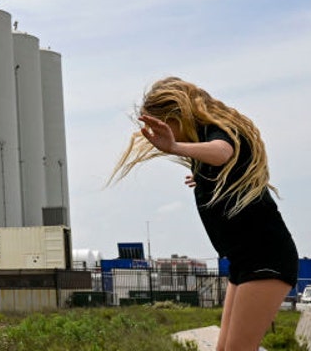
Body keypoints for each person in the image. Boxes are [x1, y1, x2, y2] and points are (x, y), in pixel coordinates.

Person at [109, 77, 298, 351]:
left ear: (178, 115)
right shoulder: (206, 151)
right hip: (243, 261)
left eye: (166, 126)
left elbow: (223, 152)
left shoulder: (219, 131)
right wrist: (203, 178)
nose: (168, 136)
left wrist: (174, 147)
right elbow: (221, 162)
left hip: (266, 257)